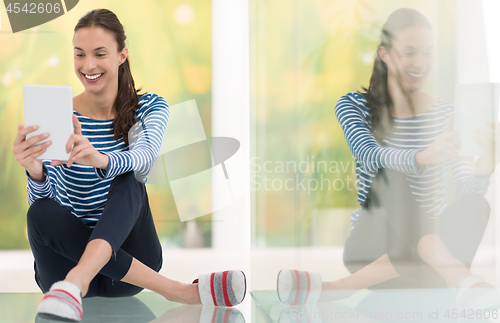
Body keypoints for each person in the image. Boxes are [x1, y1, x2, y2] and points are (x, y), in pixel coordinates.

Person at [13, 9, 245, 322]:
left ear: (122, 55)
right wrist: (35, 172)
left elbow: (145, 157)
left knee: (131, 178)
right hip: (63, 267)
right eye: (79, 54)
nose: (88, 65)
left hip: (128, 268)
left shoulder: (148, 107)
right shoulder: (59, 114)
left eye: (100, 54)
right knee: (39, 211)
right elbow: (46, 214)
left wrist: (100, 159)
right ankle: (178, 290)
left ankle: (79, 280)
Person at [277, 8, 498, 309]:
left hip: (429, 269)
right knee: (388, 173)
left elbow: (464, 192)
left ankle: (339, 289)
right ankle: (461, 279)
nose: (420, 63)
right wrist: (424, 156)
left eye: (428, 53)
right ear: (385, 53)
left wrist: (485, 164)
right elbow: (368, 156)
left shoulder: (447, 113)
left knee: (476, 204)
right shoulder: (353, 105)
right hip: (372, 253)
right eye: (409, 52)